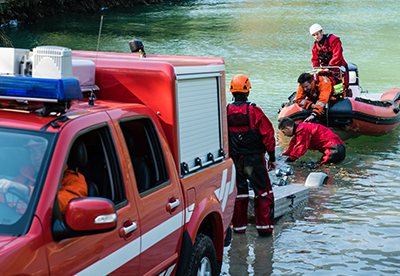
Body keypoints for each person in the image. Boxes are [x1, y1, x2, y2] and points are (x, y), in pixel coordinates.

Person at [227, 74, 276, 237]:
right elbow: (268, 135)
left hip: (234, 160)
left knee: (238, 194)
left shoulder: (225, 111)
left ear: (232, 91)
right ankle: (264, 230)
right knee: (263, 193)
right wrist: (273, 158)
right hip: (254, 160)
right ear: (247, 92)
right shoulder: (254, 111)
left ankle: (238, 229)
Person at [0, 138, 87, 218]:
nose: (37, 157)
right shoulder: (23, 177)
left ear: (57, 154)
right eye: (33, 152)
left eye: (43, 151)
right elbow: (2, 201)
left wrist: (27, 190)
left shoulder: (73, 180)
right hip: (14, 229)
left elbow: (64, 206)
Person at [278, 117, 346, 164]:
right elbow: (293, 145)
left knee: (320, 168)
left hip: (334, 150)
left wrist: (287, 161)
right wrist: (283, 156)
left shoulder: (302, 131)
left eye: (284, 132)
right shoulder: (300, 129)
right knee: (319, 166)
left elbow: (300, 149)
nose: (284, 135)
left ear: (287, 128)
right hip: (338, 147)